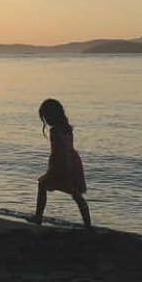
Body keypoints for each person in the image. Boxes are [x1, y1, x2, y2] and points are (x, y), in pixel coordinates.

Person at [29, 98, 92, 228]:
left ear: (54, 115)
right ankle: (88, 225)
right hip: (73, 161)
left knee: (43, 184)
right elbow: (67, 148)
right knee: (76, 194)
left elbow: (60, 150)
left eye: (47, 116)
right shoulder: (67, 128)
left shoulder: (55, 131)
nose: (46, 120)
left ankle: (38, 217)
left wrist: (61, 167)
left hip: (62, 163)